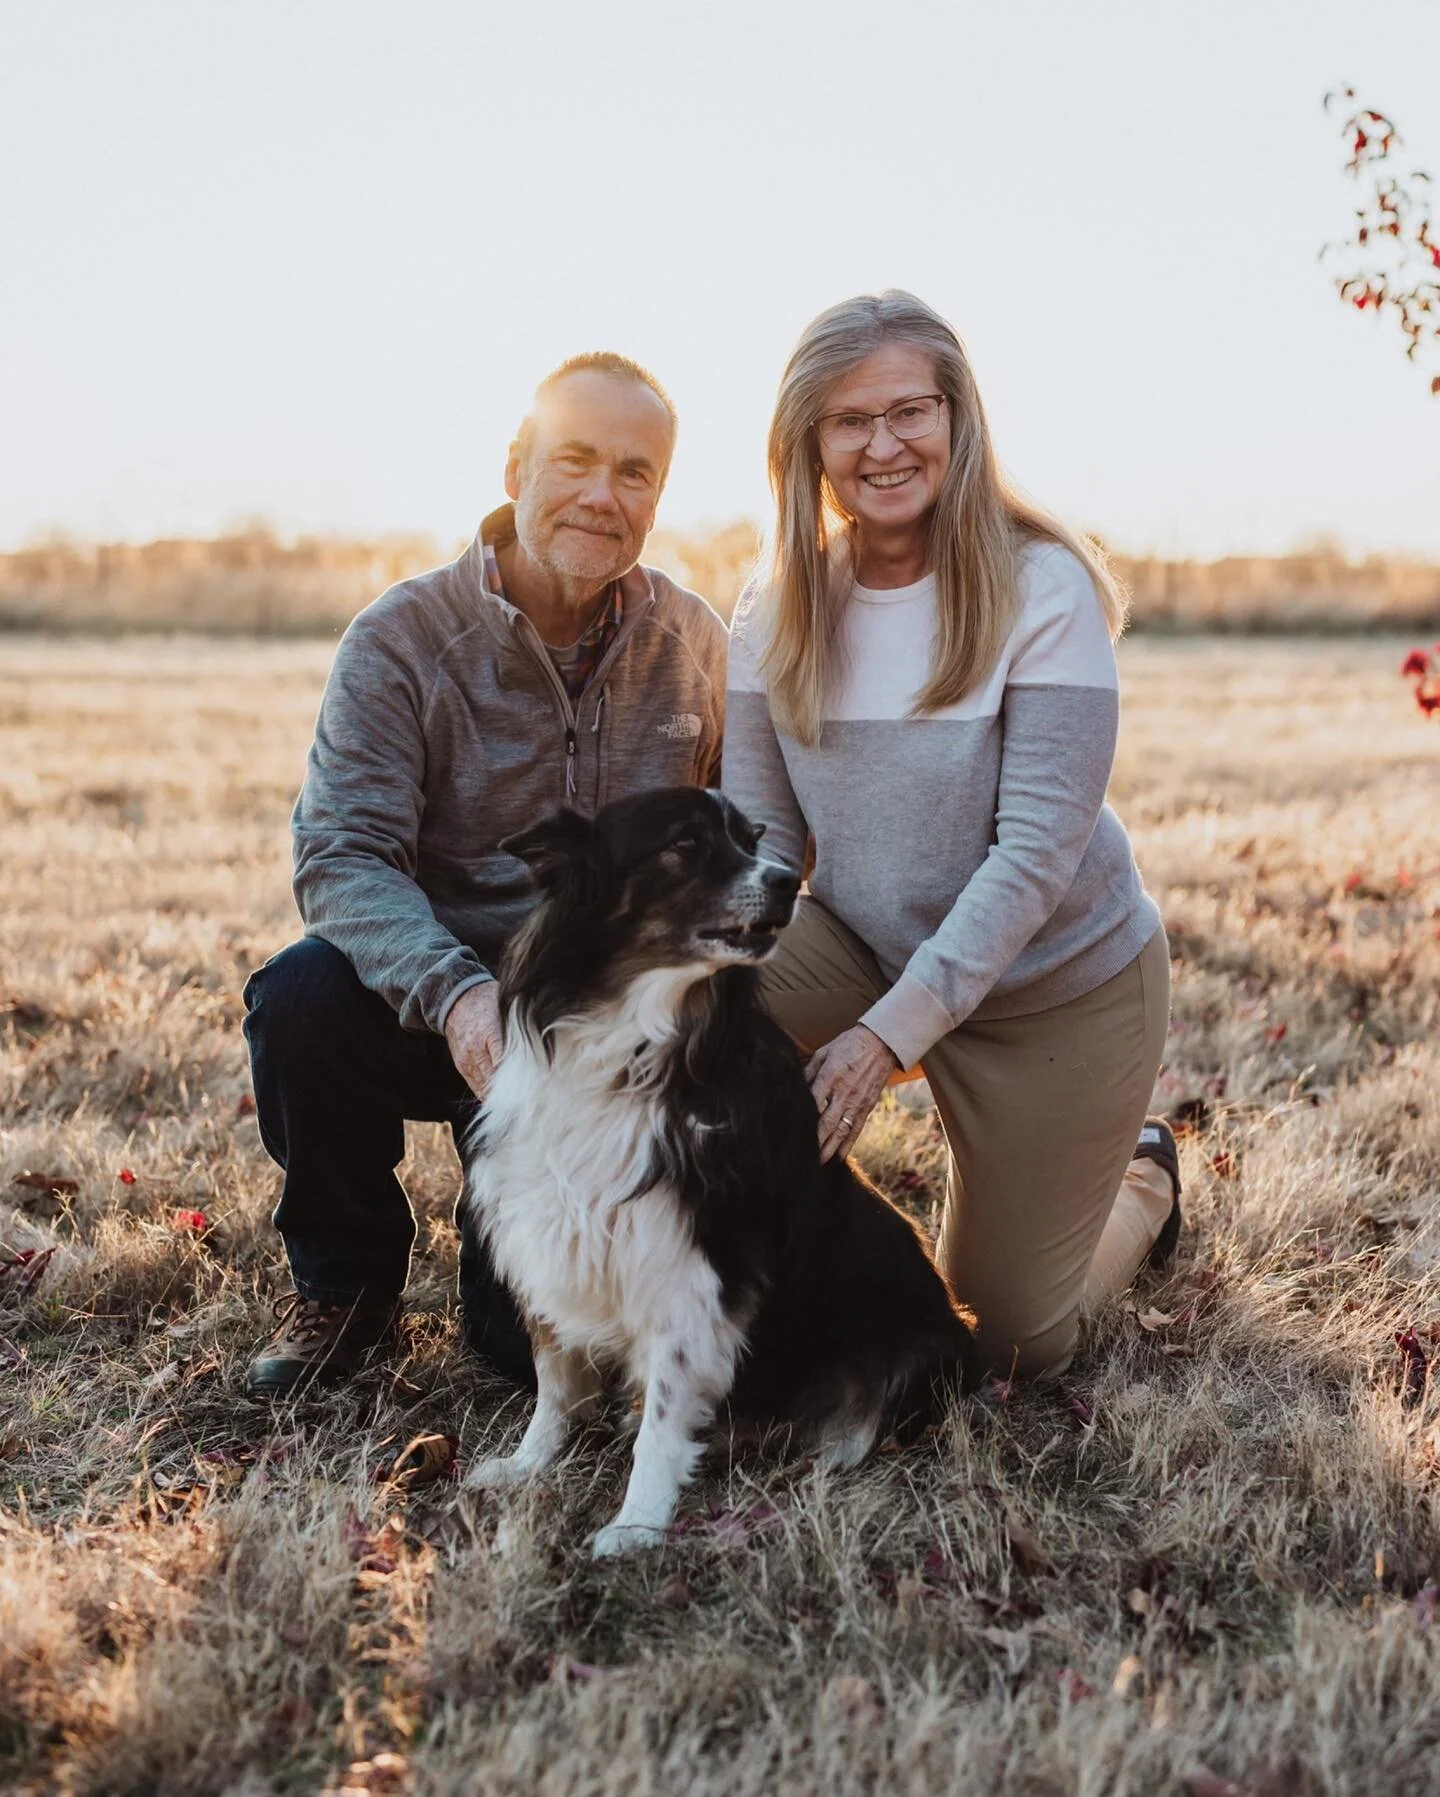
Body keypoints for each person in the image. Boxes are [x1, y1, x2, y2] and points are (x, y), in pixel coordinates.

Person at [242, 352, 726, 1398]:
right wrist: (458, 995)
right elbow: (343, 854)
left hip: (594, 1047)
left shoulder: (696, 645)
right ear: (516, 467)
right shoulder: (403, 639)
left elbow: (745, 845)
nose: (605, 495)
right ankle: (345, 1285)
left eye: (636, 473)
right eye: (577, 460)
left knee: (520, 1358)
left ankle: (522, 1236)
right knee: (301, 995)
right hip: (427, 1009)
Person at [723, 290, 1181, 1382]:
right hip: (865, 942)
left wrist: (886, 1039)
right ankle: (731, 1276)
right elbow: (761, 847)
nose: (883, 445)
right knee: (697, 1015)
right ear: (810, 445)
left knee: (1011, 1341)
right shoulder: (775, 603)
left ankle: (1146, 1189)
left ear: (957, 416)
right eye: (849, 421)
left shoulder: (1042, 585)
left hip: (1054, 988)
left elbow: (1032, 859)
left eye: (910, 410)